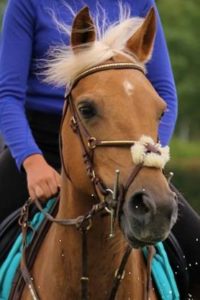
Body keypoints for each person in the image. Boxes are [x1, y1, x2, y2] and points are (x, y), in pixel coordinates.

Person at [0, 0, 199, 293]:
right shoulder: (27, 4)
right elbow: (7, 94)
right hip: (39, 145)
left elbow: (164, 92)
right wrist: (31, 161)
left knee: (195, 245)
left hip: (125, 147)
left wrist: (150, 156)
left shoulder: (141, 3)